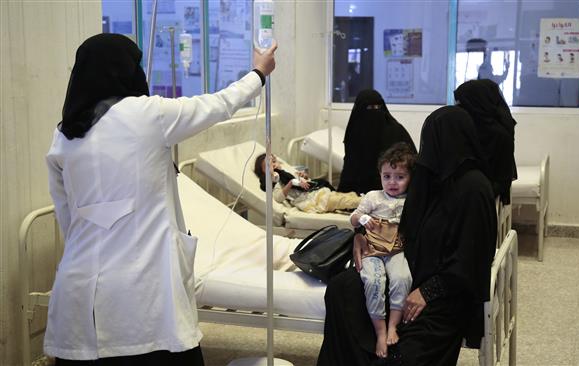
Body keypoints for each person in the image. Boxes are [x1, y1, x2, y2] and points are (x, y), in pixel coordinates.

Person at [45, 33, 277, 365]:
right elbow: (219, 104)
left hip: (79, 291)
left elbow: (65, 215)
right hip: (144, 294)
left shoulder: (64, 135)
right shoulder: (148, 114)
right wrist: (258, 74)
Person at [317, 106, 497, 365]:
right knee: (341, 288)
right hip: (406, 267)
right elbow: (397, 215)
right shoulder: (432, 177)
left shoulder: (474, 189)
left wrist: (427, 291)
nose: (427, 149)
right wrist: (359, 232)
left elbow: (471, 260)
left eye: (432, 139)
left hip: (445, 294)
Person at [350, 142, 415, 358]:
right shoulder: (373, 197)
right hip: (372, 249)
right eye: (387, 176)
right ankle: (380, 331)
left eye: (400, 176)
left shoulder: (412, 201)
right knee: (373, 280)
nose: (392, 182)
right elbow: (353, 218)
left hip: (397, 250)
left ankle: (393, 326)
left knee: (402, 278)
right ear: (379, 175)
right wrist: (363, 218)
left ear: (410, 178)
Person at [338, 89, 416, 195]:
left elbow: (411, 164)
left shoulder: (396, 130)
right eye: (369, 108)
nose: (374, 111)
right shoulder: (354, 132)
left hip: (394, 189)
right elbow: (350, 167)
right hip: (358, 191)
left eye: (378, 107)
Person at [454, 79, 517, 205]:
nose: (458, 108)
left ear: (475, 104)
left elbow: (501, 180)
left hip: (480, 195)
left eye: (462, 103)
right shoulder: (465, 128)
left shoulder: (500, 136)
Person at [254, 153, 360, 213]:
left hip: (315, 193)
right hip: (310, 201)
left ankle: (365, 204)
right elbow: (278, 198)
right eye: (268, 166)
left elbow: (304, 184)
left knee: (347, 195)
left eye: (273, 161)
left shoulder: (287, 173)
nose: (273, 165)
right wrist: (290, 183)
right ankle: (366, 203)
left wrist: (304, 177)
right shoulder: (275, 182)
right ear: (263, 172)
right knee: (341, 200)